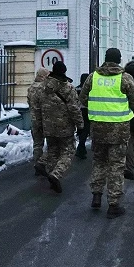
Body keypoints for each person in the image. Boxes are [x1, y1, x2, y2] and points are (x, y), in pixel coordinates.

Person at [79, 48, 134, 219]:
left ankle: (96, 195)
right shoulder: (125, 78)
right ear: (119, 60)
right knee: (116, 166)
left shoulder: (93, 77)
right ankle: (113, 204)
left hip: (98, 128)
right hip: (119, 130)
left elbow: (82, 98)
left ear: (105, 59)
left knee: (98, 162)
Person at [40, 61, 83, 193]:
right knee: (68, 151)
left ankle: (51, 175)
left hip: (48, 126)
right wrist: (80, 125)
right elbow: (74, 109)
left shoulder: (43, 86)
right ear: (64, 72)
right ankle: (56, 174)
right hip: (64, 127)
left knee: (52, 151)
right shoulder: (68, 88)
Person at [27, 68, 50, 176]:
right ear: (43, 76)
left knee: (37, 144)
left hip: (34, 119)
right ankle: (44, 164)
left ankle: (37, 165)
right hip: (44, 119)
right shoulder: (43, 88)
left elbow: (29, 102)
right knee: (52, 144)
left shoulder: (31, 88)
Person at [75, 73, 91, 159]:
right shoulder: (89, 90)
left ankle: (81, 147)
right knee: (86, 128)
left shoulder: (76, 88)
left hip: (78, 110)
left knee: (81, 129)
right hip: (87, 110)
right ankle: (81, 147)